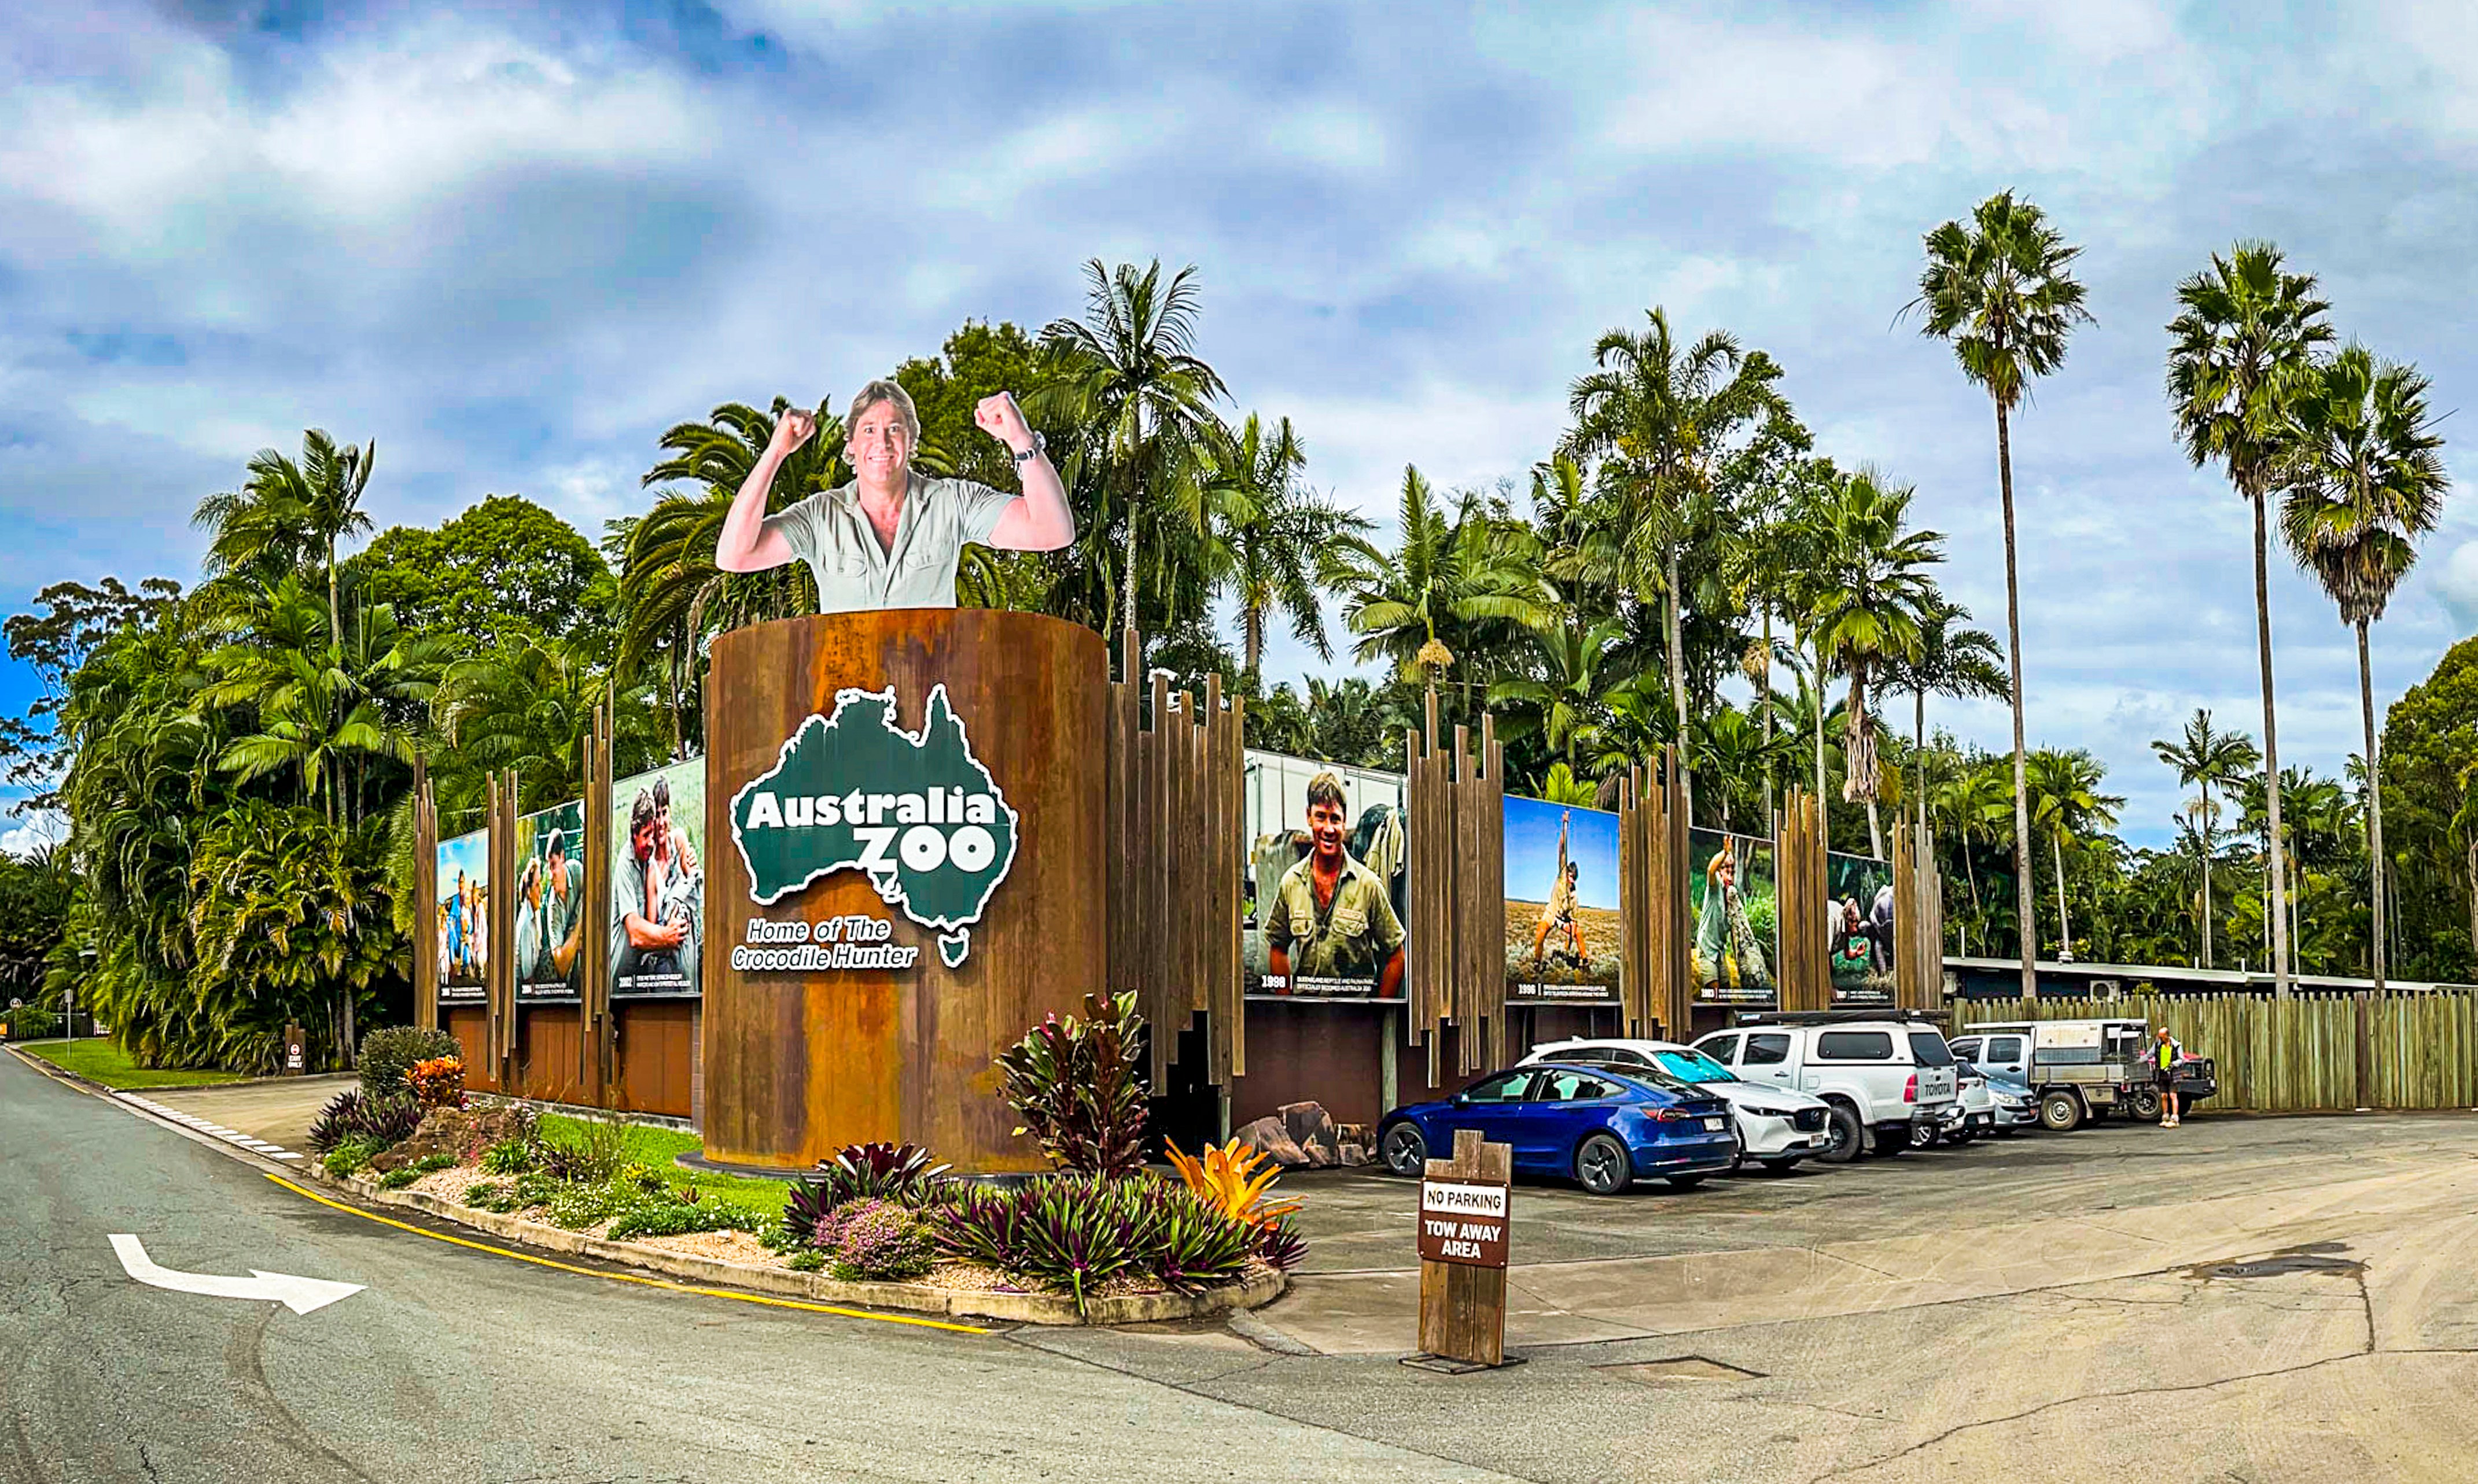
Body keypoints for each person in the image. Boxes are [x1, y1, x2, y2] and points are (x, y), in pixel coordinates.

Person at [712, 378, 1075, 612]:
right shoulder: (819, 516)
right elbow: (734, 555)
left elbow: (1053, 532)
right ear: (851, 445)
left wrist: (1021, 440)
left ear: (911, 441)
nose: (882, 442)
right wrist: (776, 452)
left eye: (894, 429)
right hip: (847, 702)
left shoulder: (954, 502)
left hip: (930, 699)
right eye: (869, 430)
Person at [1266, 771, 1405, 997]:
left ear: (1344, 821)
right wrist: (1286, 1004)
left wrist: (1378, 1011)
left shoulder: (1368, 885)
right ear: (1309, 817)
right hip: (1306, 1014)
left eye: (1335, 819)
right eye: (1321, 817)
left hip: (1355, 1016)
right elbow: (1278, 947)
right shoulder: (1291, 882)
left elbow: (1396, 956)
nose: (1329, 829)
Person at [1530, 810, 1588, 982]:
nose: (1571, 879)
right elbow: (1562, 849)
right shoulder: (1562, 875)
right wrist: (1565, 825)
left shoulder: (1574, 895)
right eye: (1570, 876)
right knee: (1540, 935)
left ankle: (1585, 963)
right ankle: (1536, 965)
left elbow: (1574, 919)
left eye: (1574, 877)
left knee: (1578, 933)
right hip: (1551, 914)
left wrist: (1570, 936)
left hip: (1563, 920)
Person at [540, 828, 585, 986]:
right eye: (549, 867)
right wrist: (579, 926)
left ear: (563, 857)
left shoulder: (578, 872)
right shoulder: (553, 906)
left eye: (553, 865)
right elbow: (561, 965)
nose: (550, 875)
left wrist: (570, 945)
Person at [2154, 1025, 2184, 1127]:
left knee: (2173, 1095)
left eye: (2162, 1037)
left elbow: (2181, 1059)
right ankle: (2165, 1117)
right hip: (2162, 1073)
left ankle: (2175, 1118)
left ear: (2167, 1036)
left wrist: (2173, 1064)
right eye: (2159, 1036)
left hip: (2173, 1073)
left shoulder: (2176, 1046)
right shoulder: (2158, 1046)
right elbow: (2150, 1055)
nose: (2160, 1038)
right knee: (2164, 1096)